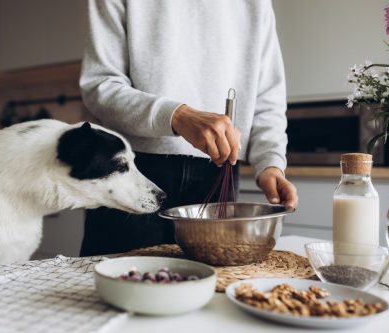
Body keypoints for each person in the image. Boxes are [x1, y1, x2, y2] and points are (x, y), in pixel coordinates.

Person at [79, 0, 298, 256]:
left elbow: (267, 102)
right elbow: (100, 84)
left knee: (213, 291)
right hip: (131, 171)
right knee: (110, 290)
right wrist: (178, 116)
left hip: (219, 175)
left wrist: (271, 164)